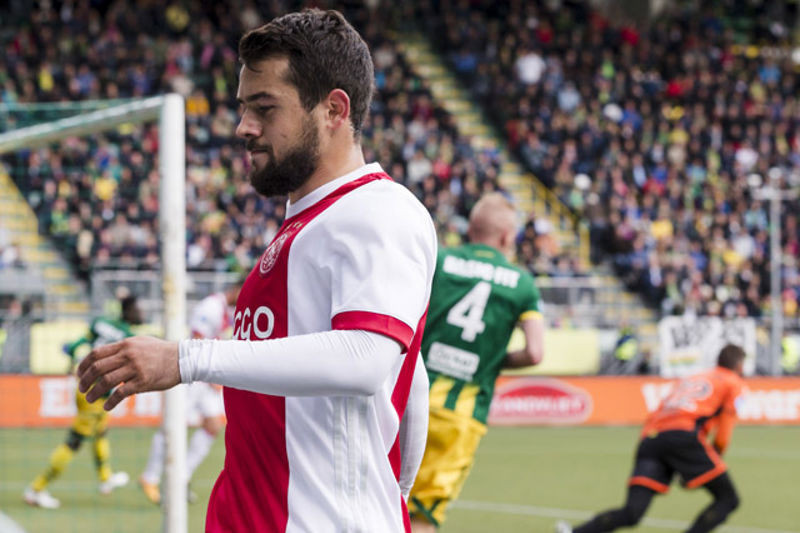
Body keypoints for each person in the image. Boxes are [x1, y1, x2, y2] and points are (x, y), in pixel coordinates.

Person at [76, 9, 437, 532]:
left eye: (265, 108)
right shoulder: (311, 223)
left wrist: (185, 358)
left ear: (334, 109)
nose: (244, 127)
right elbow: (413, 377)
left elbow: (367, 358)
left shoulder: (376, 210)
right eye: (244, 107)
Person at [408, 192, 545, 532]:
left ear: (470, 230)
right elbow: (535, 352)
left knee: (376, 499)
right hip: (460, 415)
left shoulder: (440, 261)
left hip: (408, 400)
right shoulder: (522, 285)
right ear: (507, 237)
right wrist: (493, 359)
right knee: (422, 513)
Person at [556, 343, 746, 533]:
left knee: (632, 512)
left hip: (652, 438)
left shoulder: (694, 377)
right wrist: (711, 458)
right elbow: (723, 433)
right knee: (728, 499)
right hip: (683, 436)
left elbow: (661, 409)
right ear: (739, 365)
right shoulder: (732, 382)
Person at [23, 294, 143, 509]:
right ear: (128, 311)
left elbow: (75, 345)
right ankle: (36, 489)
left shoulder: (101, 322)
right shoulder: (128, 337)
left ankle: (105, 478)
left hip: (87, 385)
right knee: (74, 441)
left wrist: (71, 360)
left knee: (100, 433)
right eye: (138, 309)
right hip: (96, 394)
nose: (141, 313)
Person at [138, 280, 243, 505]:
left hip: (206, 376)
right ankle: (150, 477)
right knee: (173, 424)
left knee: (213, 425)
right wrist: (209, 374)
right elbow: (197, 338)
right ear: (235, 290)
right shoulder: (211, 307)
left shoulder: (226, 310)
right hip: (193, 374)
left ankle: (181, 477)